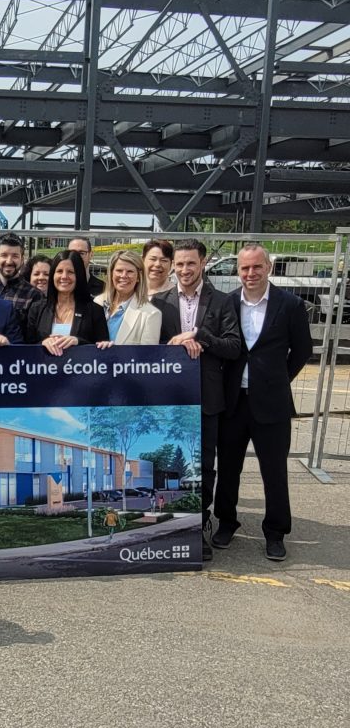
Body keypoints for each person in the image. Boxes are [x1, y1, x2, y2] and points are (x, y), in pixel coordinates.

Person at [213, 243, 313, 561]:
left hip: (271, 403)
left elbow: (302, 351)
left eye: (256, 267)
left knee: (274, 471)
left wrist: (277, 379)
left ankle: (276, 532)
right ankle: (226, 523)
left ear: (268, 267)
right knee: (228, 468)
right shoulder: (227, 303)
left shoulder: (291, 305)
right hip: (233, 402)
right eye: (244, 268)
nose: (250, 273)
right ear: (237, 270)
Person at [153, 238, 242, 560]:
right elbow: (151, 348)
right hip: (172, 401)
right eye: (179, 264)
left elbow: (233, 347)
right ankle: (175, 523)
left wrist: (199, 336)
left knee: (203, 465)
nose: (185, 270)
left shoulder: (222, 301)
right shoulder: (160, 302)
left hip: (207, 397)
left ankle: (198, 525)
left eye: (191, 263)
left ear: (203, 263)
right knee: (171, 465)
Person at [22, 249, 104, 355]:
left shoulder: (95, 311)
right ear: (53, 275)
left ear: (79, 276)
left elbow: (103, 350)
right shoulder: (36, 309)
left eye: (70, 272)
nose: (64, 276)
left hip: (81, 369)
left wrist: (79, 342)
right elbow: (25, 348)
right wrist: (42, 343)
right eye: (59, 271)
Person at [95, 249, 163, 345]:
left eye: (130, 271)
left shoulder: (150, 314)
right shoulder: (97, 302)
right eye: (119, 270)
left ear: (139, 277)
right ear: (111, 274)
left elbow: (147, 357)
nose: (124, 275)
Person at [0, 232, 31, 304]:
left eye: (15, 256)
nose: (9, 262)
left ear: (22, 260)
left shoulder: (34, 297)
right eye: (4, 255)